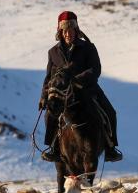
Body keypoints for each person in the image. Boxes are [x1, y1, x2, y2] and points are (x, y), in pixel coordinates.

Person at [39, 10, 123, 163]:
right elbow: (49, 77)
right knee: (49, 115)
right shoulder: (53, 52)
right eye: (64, 31)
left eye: (71, 30)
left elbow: (95, 69)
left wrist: (76, 80)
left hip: (88, 90)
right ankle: (53, 148)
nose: (68, 34)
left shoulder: (88, 48)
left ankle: (111, 149)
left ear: (76, 30)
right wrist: (44, 97)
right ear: (60, 32)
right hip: (61, 94)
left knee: (110, 112)